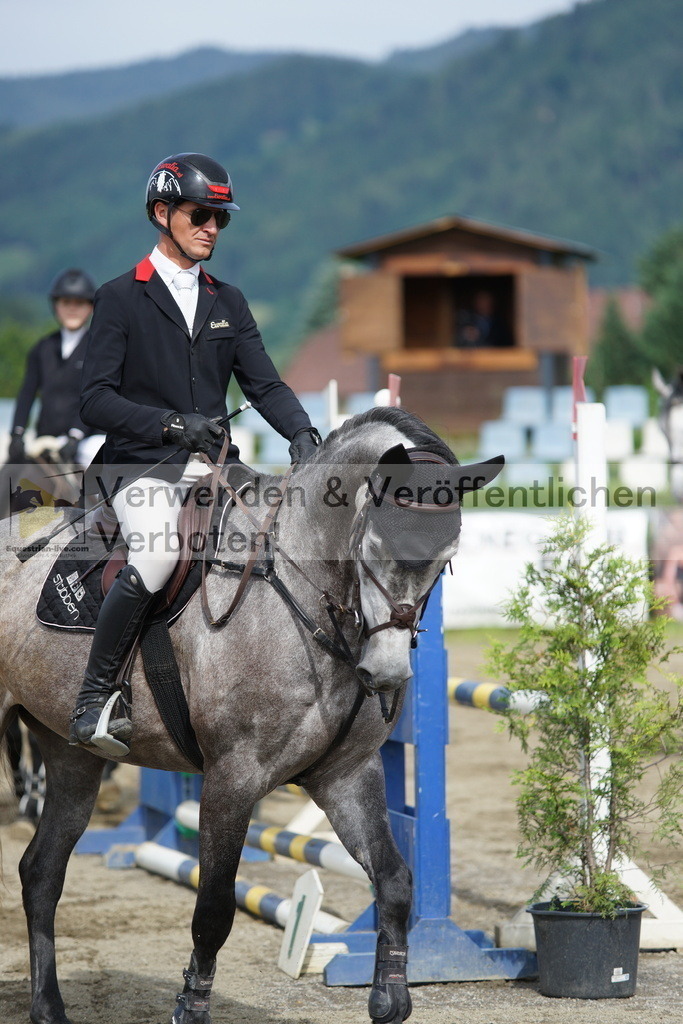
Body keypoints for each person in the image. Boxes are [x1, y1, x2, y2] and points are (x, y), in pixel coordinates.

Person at [69, 152, 321, 754]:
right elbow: (94, 401)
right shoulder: (119, 298)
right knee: (157, 555)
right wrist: (169, 424)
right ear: (163, 213)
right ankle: (95, 697)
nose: (212, 226)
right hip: (140, 466)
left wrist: (304, 434)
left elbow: (265, 385)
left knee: (282, 535)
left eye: (221, 218)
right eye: (201, 214)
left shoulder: (227, 301)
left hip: (214, 468)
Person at [8, 268, 97, 466]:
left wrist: (76, 435)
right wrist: (17, 432)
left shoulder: (98, 348)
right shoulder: (42, 348)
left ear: (90, 307)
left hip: (86, 439)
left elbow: (96, 395)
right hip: (46, 437)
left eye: (79, 303)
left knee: (95, 458)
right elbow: (27, 394)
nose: (72, 309)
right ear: (55, 305)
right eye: (66, 302)